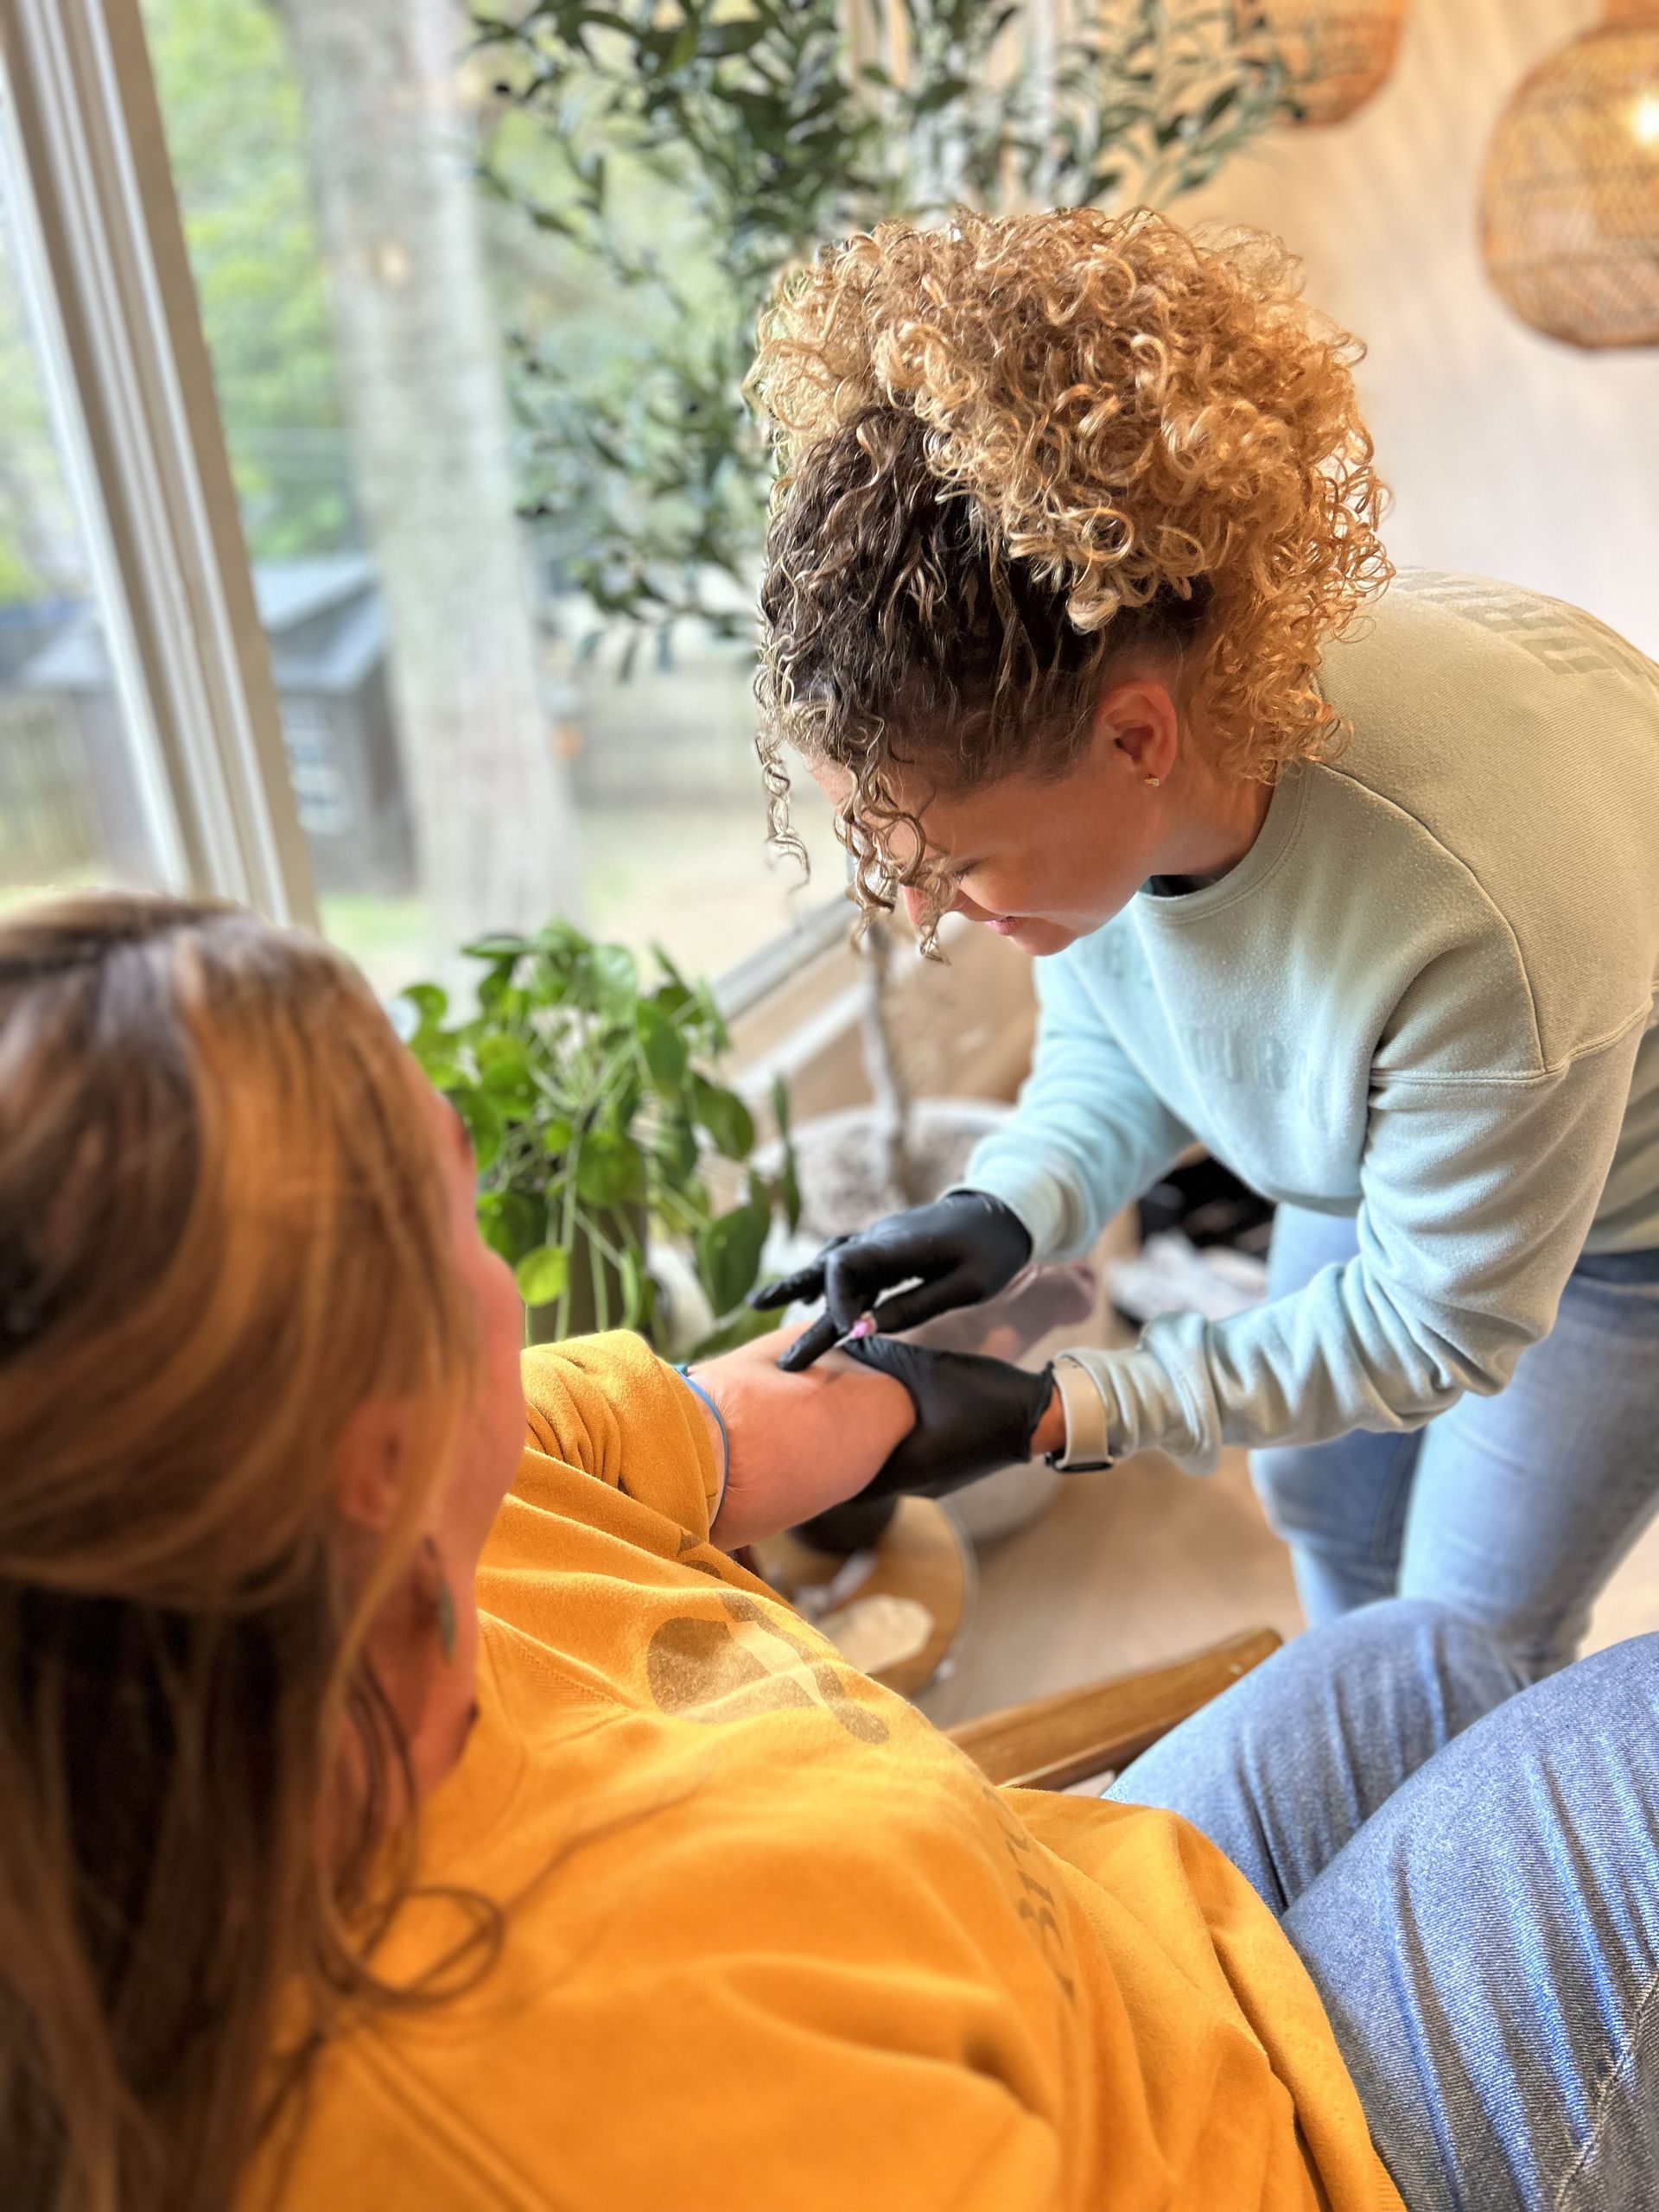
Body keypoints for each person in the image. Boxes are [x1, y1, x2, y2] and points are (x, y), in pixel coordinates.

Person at [8, 893, 1659, 2212]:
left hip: (1082, 1935)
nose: (509, 1288)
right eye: (458, 1214)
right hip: (1264, 2146)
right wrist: (1079, 1406)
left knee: (1431, 1649)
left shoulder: (435, 1516)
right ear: (369, 1448)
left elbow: (744, 1419)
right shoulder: (552, 2117)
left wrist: (968, 1297)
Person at [748, 204, 1659, 1679]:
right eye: (902, 864)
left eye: (959, 863)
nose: (925, 916)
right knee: (1319, 1489)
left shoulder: (1476, 910)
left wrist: (1056, 1412)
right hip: (1416, 1126)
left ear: (1136, 735)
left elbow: (1433, 1330)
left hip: (1633, 1233)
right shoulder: (1115, 760)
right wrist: (1012, 1207)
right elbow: (1134, 1023)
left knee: (1455, 1636)